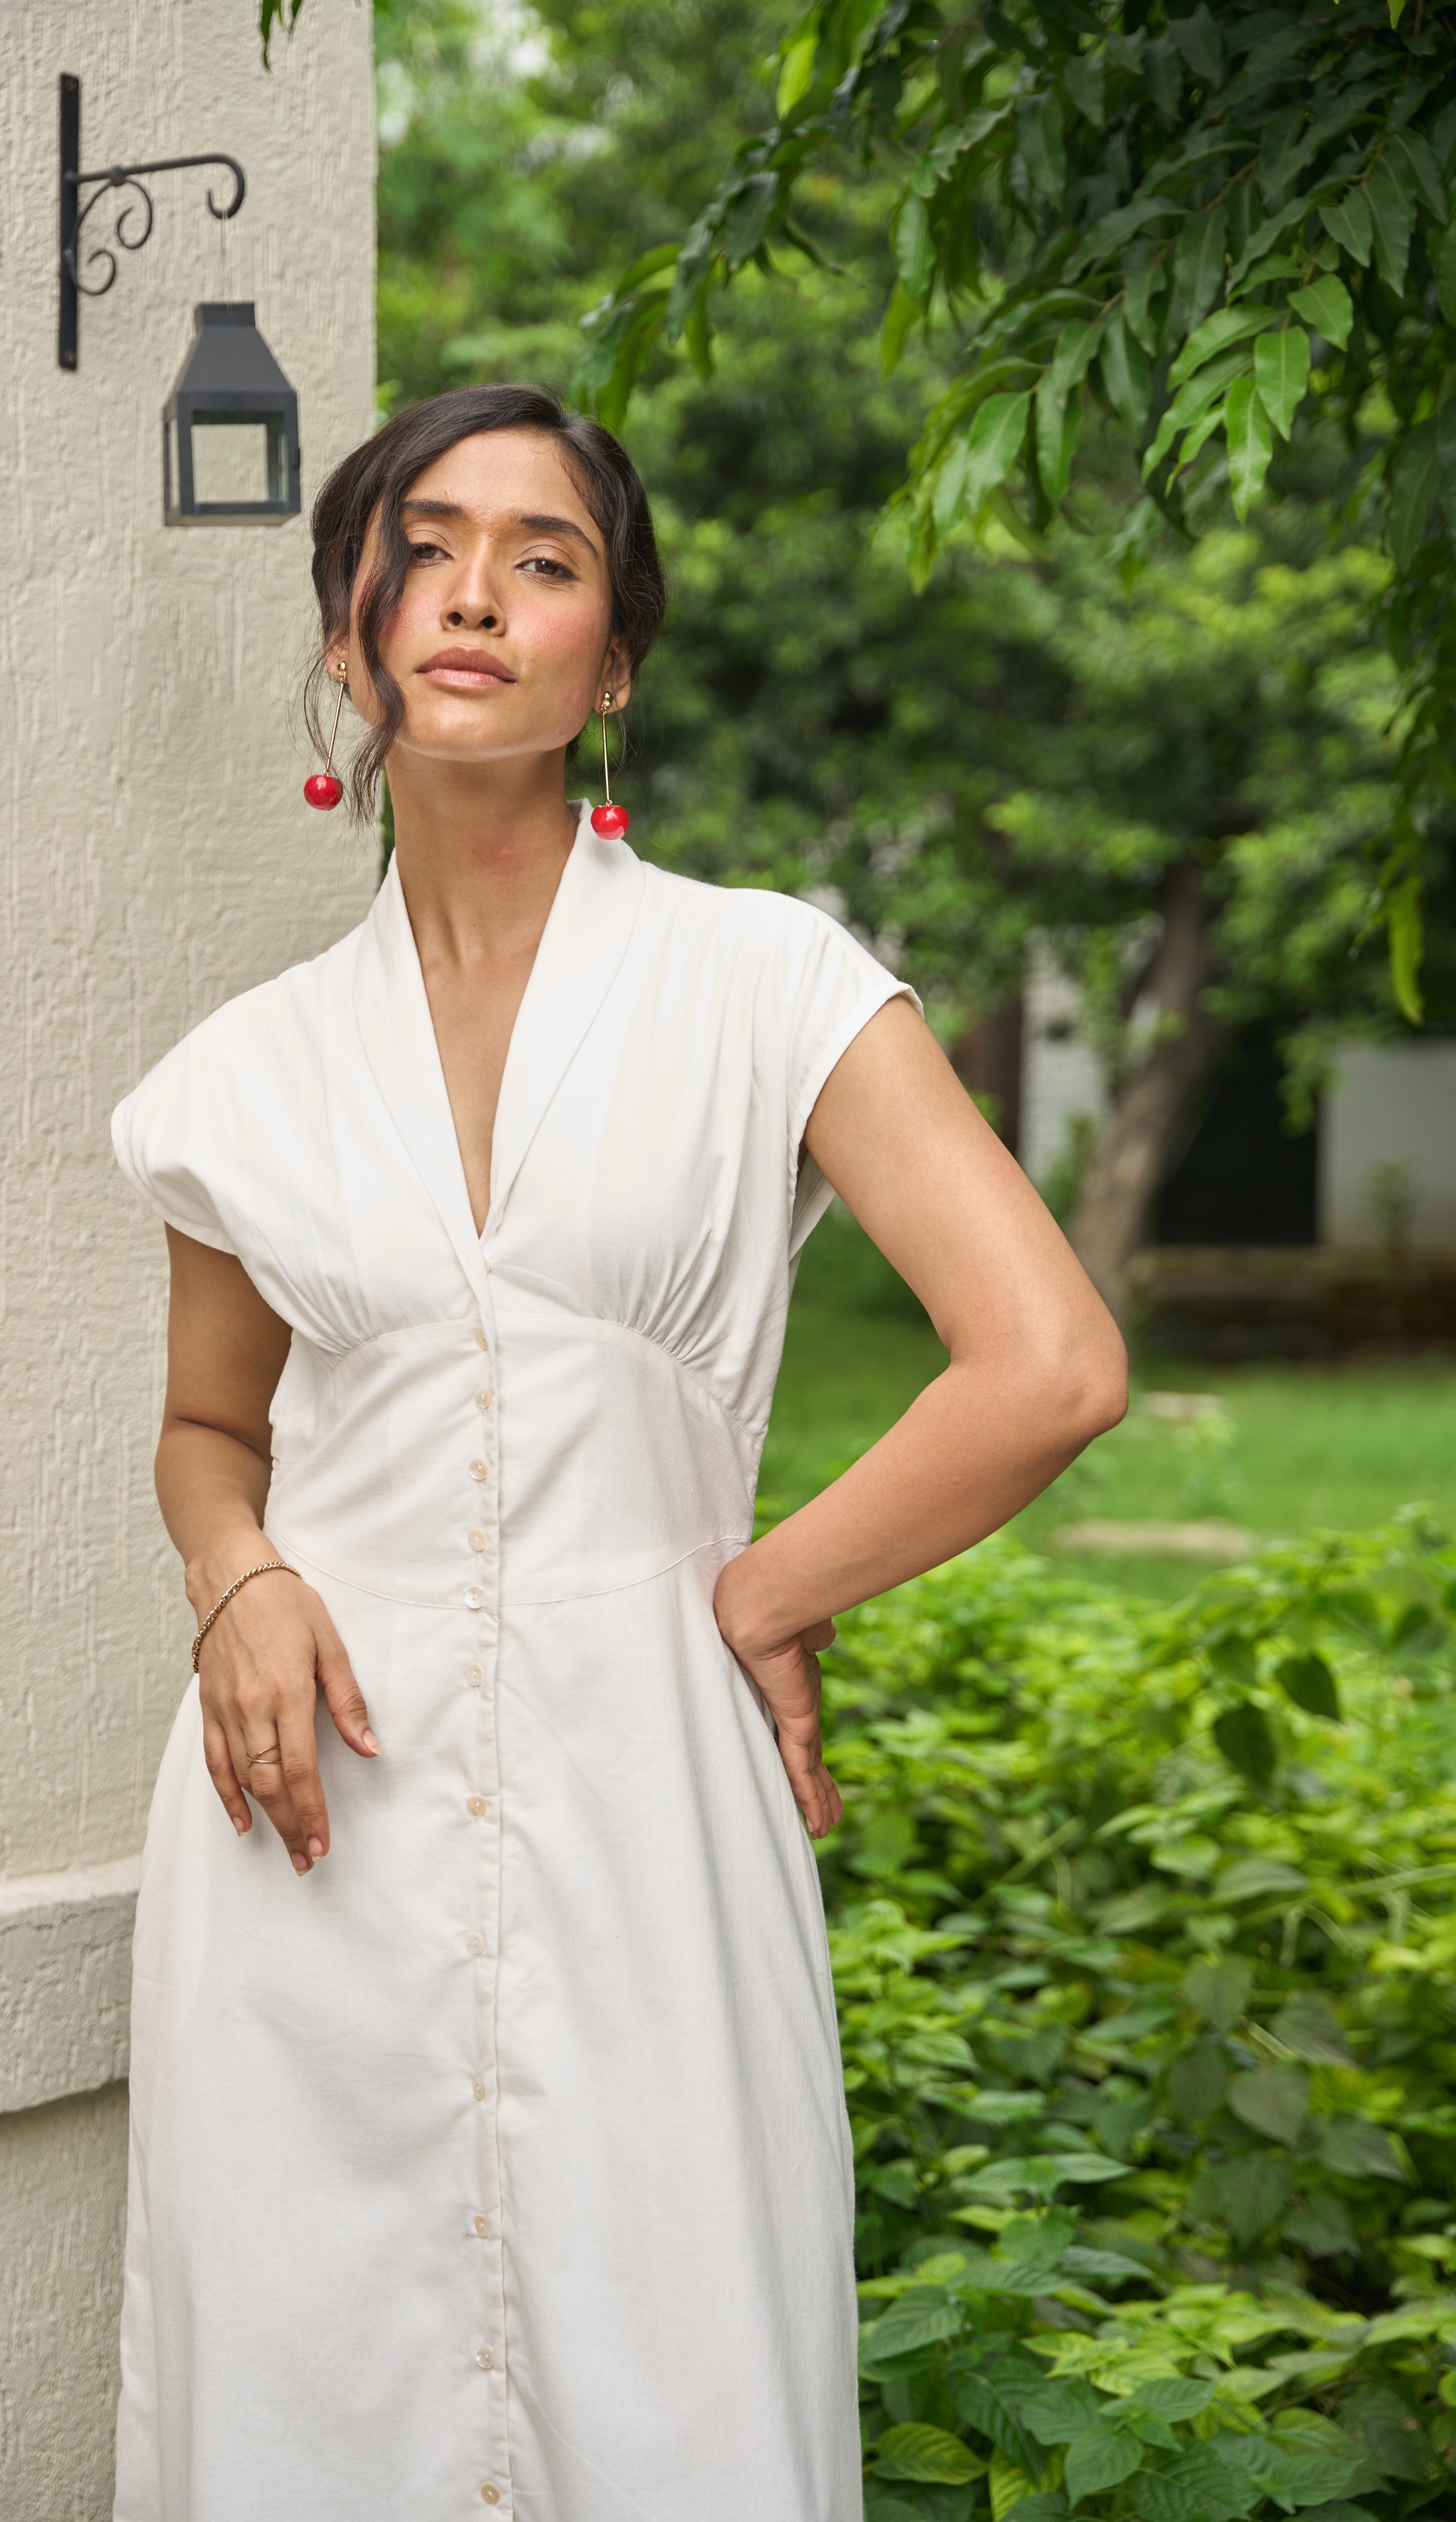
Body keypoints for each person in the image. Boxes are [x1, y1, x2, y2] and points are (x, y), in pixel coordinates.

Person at [109, 382, 1127, 2522]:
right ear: (348, 626)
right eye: (423, 543)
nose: (473, 590)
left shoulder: (767, 986)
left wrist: (754, 1596)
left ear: (617, 660)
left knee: (673, 2374)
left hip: (645, 1802)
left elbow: (1042, 1361)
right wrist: (243, 1577)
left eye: (544, 558)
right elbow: (213, 1429)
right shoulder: (245, 1074)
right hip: (312, 1824)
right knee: (317, 2384)